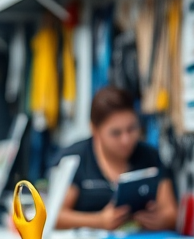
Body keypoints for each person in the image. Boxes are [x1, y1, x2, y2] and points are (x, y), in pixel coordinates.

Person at [55, 86, 176, 231]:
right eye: (115, 133)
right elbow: (55, 216)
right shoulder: (76, 158)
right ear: (95, 130)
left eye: (131, 129)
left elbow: (171, 213)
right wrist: (98, 221)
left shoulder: (149, 156)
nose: (126, 140)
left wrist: (158, 219)